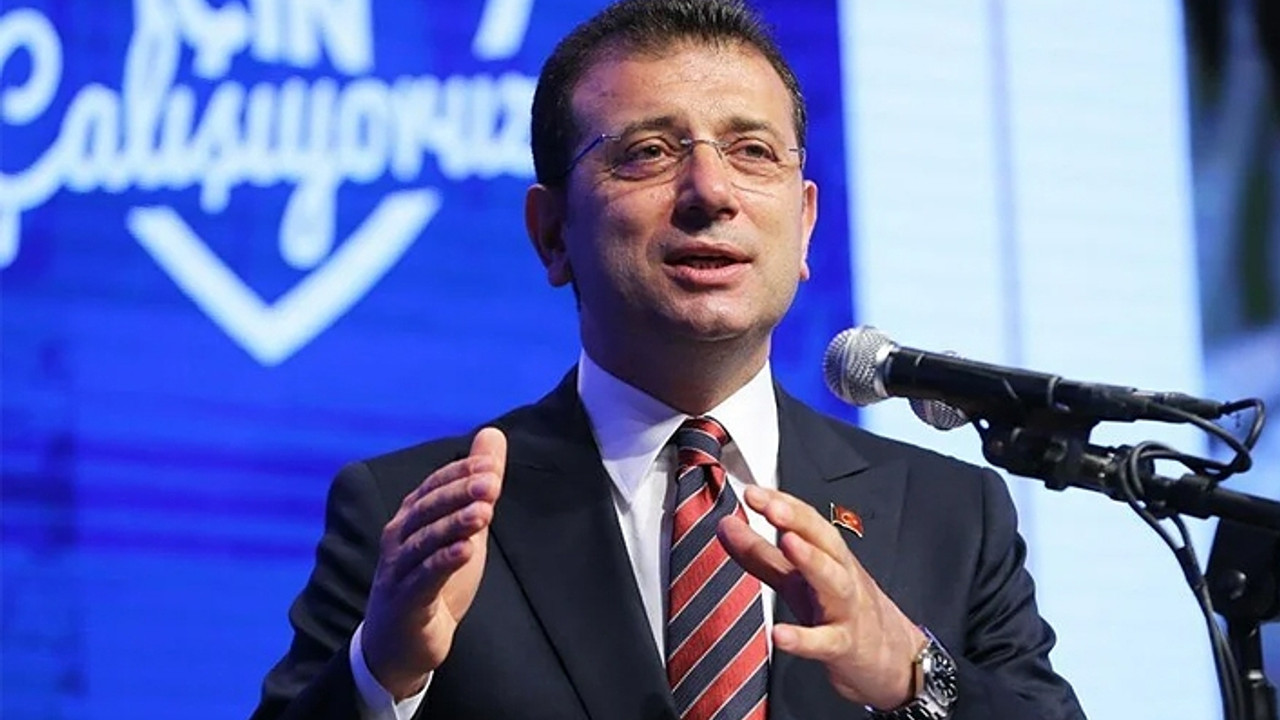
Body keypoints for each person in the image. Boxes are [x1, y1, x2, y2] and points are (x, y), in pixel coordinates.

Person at [250, 1, 1087, 718]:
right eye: (649, 151)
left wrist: (913, 673)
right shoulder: (414, 519)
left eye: (752, 151)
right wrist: (384, 676)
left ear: (804, 225)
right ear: (552, 234)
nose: (711, 192)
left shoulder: (949, 514)